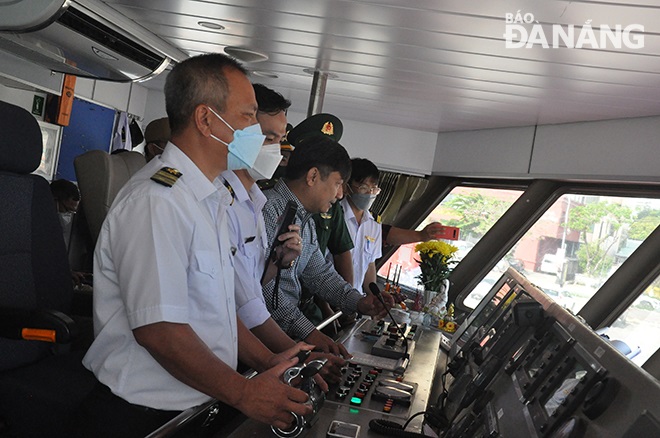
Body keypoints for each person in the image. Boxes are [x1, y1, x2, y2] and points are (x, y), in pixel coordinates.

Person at [74, 53, 312, 437]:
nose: (255, 131)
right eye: (248, 116)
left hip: (199, 404)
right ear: (206, 120)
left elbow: (212, 309)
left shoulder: (209, 197)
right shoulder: (159, 200)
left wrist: (268, 360)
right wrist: (244, 393)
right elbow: (159, 330)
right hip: (143, 415)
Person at [224, 83, 343, 382]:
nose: (276, 151)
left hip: (234, 351)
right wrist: (289, 355)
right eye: (267, 138)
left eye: (280, 140)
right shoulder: (223, 202)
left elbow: (246, 292)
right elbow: (219, 305)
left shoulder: (253, 203)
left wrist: (278, 263)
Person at [261, 135, 393, 356]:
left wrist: (360, 303)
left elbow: (320, 275)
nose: (340, 194)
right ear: (313, 176)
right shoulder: (267, 211)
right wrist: (310, 334)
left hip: (284, 335)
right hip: (259, 340)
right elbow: (261, 290)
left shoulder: (306, 221)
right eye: (338, 183)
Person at [341, 158, 383, 293]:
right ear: (347, 186)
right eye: (364, 188)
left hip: (356, 300)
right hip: (330, 297)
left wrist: (373, 299)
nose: (369, 194)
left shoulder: (374, 225)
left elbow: (370, 265)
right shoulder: (334, 216)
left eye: (374, 189)